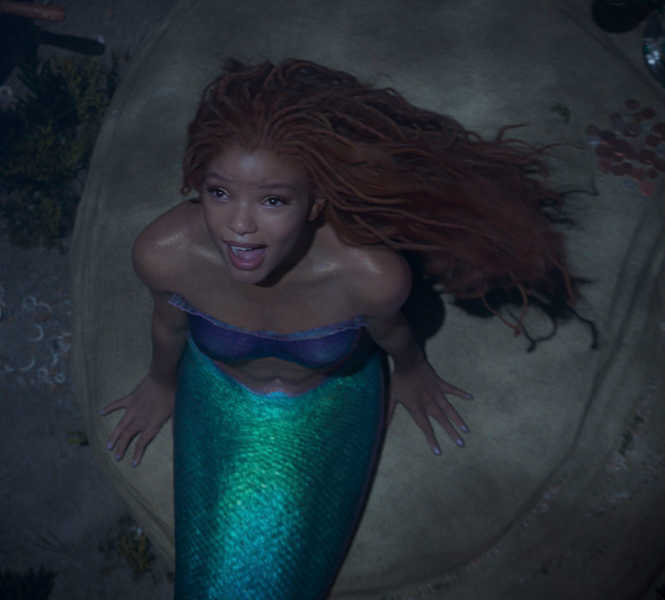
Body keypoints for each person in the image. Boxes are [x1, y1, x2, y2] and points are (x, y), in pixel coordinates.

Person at [98, 58, 578, 599]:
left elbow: (391, 332)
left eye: (273, 200)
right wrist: (162, 383)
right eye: (219, 192)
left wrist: (413, 370)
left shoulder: (368, 276)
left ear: (315, 204)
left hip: (331, 401)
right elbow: (168, 325)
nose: (239, 224)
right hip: (217, 396)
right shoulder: (165, 253)